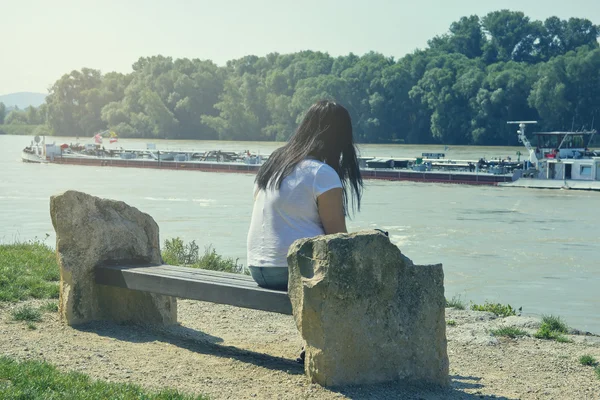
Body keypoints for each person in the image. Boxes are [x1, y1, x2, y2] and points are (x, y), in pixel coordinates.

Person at [246, 100, 363, 291]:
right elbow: (338, 237)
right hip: (292, 271)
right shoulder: (321, 173)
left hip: (257, 268)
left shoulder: (274, 163)